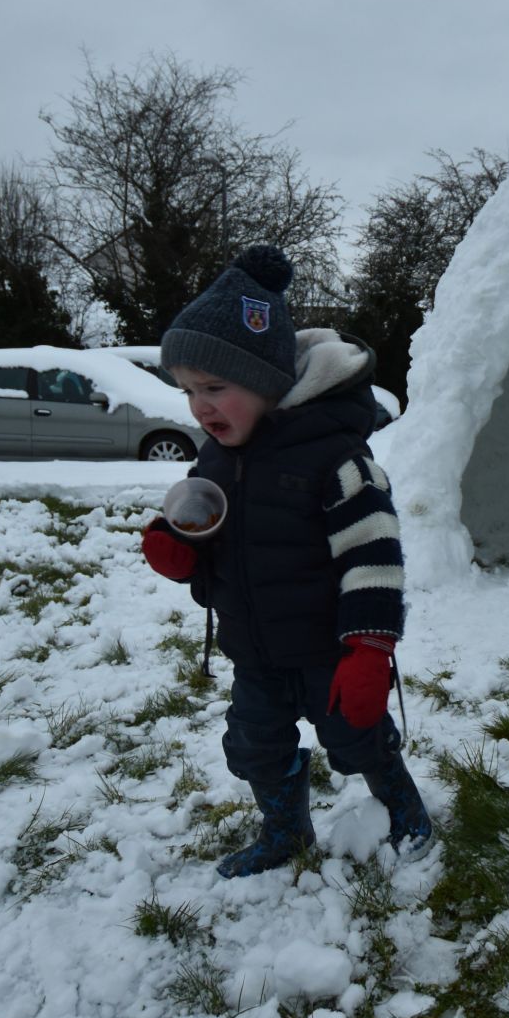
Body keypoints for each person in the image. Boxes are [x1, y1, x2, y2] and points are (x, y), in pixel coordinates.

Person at [139, 244, 431, 877]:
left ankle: (405, 810)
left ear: (268, 384)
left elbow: (374, 556)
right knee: (253, 746)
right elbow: (207, 527)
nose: (200, 406)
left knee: (360, 739)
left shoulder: (338, 460)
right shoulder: (215, 458)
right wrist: (180, 547)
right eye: (189, 391)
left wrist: (370, 650)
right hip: (257, 650)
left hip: (332, 650)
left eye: (216, 386)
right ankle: (284, 831)